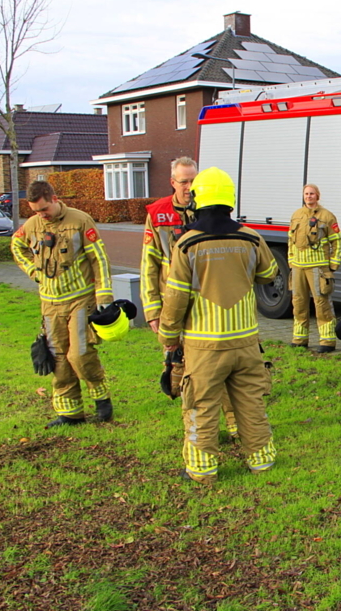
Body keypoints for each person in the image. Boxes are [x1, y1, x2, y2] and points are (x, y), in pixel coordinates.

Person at [158, 167, 279, 485]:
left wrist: (168, 338)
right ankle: (261, 461)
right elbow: (270, 273)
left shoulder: (186, 245)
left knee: (202, 404)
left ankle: (202, 470)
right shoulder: (251, 237)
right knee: (250, 401)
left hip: (204, 345)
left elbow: (175, 299)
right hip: (246, 342)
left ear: (198, 199)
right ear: (230, 199)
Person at [141, 157, 238, 438]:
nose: (189, 187)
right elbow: (149, 264)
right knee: (182, 370)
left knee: (220, 366)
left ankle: (234, 425)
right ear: (172, 182)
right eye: (183, 181)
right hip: (173, 304)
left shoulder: (210, 210)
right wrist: (152, 310)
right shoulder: (158, 214)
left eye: (193, 181)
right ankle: (197, 429)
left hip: (209, 305)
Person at [12, 180, 115, 427]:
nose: (41, 215)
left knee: (79, 354)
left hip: (80, 300)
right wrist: (33, 272)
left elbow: (99, 259)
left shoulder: (80, 220)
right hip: (50, 304)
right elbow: (16, 246)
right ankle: (70, 413)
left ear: (55, 199)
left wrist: (104, 296)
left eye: (44, 209)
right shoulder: (32, 225)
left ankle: (101, 399)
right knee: (58, 358)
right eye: (35, 211)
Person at [288, 184, 341, 353]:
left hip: (318, 268)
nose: (309, 196)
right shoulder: (297, 215)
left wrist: (333, 264)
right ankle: (299, 339)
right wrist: (290, 259)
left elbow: (338, 241)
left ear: (317, 196)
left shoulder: (327, 216)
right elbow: (290, 239)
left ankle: (327, 341)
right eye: (306, 194)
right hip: (298, 267)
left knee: (321, 303)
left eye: (312, 194)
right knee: (298, 302)